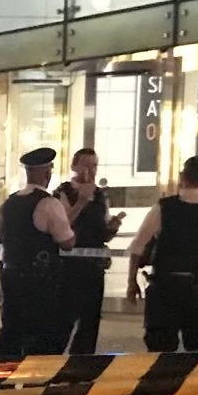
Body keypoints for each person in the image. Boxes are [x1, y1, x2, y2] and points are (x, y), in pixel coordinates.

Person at [126, 156, 198, 353]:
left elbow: (138, 247)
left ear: (182, 176)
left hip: (164, 290)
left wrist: (132, 281)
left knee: (160, 351)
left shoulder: (163, 208)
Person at [0, 147, 75, 357]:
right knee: (41, 331)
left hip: (10, 275)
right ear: (47, 173)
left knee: (11, 329)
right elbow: (67, 243)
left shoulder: (9, 202)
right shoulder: (49, 203)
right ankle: (35, 382)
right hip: (39, 280)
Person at [54, 147, 123, 354]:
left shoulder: (101, 195)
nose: (90, 170)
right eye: (86, 165)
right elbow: (62, 224)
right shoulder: (63, 192)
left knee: (91, 318)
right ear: (74, 166)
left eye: (94, 166)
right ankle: (53, 359)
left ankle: (82, 362)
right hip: (69, 264)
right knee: (65, 316)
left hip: (94, 264)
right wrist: (81, 201)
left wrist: (112, 227)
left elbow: (102, 230)